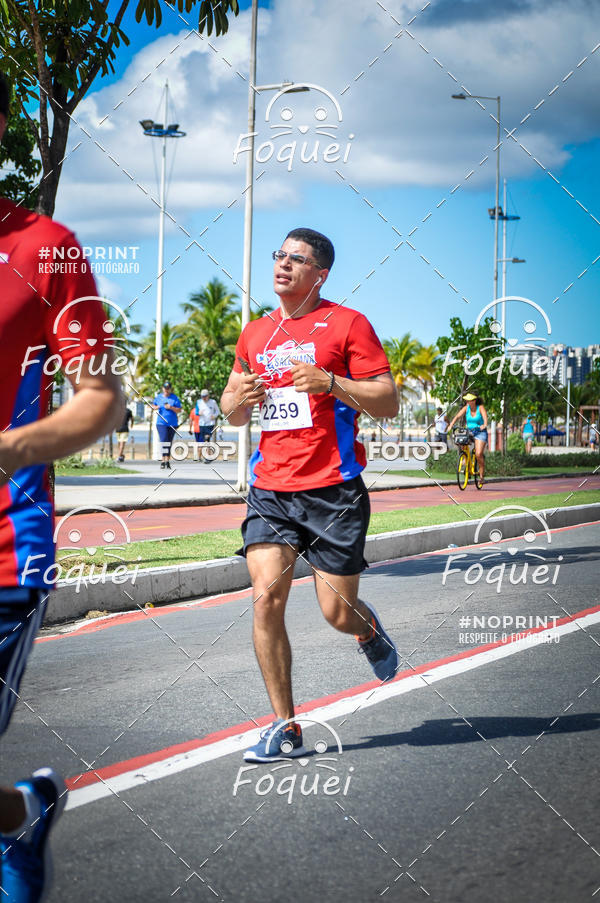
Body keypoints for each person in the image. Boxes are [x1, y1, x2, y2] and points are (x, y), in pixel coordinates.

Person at [0, 71, 124, 902]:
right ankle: (26, 808)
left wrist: (8, 446)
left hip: (5, 556)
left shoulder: (44, 247)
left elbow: (104, 398)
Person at [220, 227, 399, 763]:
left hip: (333, 492)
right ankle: (285, 726)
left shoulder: (348, 324)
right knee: (265, 598)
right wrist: (241, 399)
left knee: (336, 611)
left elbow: (387, 400)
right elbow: (231, 408)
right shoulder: (254, 333)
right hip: (270, 489)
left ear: (319, 274)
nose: (282, 265)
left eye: (296, 260)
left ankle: (367, 632)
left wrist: (332, 383)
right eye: (279, 256)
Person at [448, 392, 488, 481]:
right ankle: (466, 459)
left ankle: (481, 475)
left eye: (469, 400)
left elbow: (485, 417)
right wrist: (451, 424)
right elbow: (458, 416)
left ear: (474, 401)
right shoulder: (466, 408)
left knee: (478, 454)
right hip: (469, 431)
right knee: (461, 440)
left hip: (480, 432)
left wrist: (484, 424)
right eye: (467, 400)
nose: (467, 401)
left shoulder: (480, 408)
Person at [151, 381, 181, 469]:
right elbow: (153, 406)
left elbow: (179, 410)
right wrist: (156, 407)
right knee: (163, 440)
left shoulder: (174, 398)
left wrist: (171, 407)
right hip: (161, 423)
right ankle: (163, 460)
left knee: (169, 442)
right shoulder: (158, 397)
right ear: (163, 389)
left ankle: (167, 460)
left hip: (172, 423)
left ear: (170, 389)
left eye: (168, 389)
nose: (166, 390)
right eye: (165, 388)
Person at [191, 388, 220, 463]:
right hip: (202, 423)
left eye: (205, 396)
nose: (204, 398)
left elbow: (218, 411)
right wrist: (198, 413)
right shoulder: (199, 402)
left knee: (207, 439)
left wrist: (214, 415)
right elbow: (196, 411)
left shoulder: (213, 402)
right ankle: (205, 456)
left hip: (210, 424)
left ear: (208, 396)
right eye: (202, 396)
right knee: (203, 441)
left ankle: (208, 457)